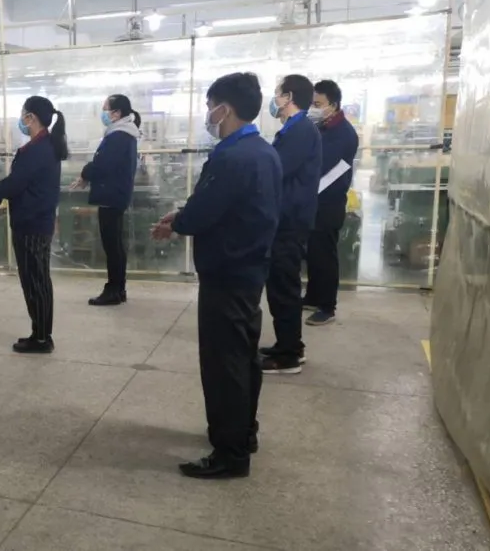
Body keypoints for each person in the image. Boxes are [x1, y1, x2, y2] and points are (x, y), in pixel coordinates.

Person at [151, 72, 282, 479]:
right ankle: (243, 432)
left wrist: (178, 221)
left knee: (224, 364)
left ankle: (230, 453)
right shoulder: (263, 152)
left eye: (210, 107)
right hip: (249, 268)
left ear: (225, 109)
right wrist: (184, 215)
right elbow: (222, 205)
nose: (208, 115)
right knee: (243, 358)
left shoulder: (232, 156)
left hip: (227, 271)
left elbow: (205, 210)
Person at [0, 96, 67, 354]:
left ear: (31, 117)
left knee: (35, 281)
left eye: (23, 114)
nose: (21, 119)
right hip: (37, 221)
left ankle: (41, 339)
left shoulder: (37, 150)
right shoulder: (45, 146)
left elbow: (16, 182)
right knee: (37, 279)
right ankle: (40, 334)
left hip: (31, 224)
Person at [259, 74, 322, 375]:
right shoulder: (293, 129)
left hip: (290, 220)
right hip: (287, 217)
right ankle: (290, 344)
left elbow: (276, 169)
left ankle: (288, 356)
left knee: (283, 286)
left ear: (289, 97)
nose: (275, 99)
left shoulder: (300, 131)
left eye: (278, 93)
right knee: (282, 285)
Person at [72, 94, 141, 306]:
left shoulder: (119, 135)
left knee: (112, 246)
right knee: (115, 245)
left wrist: (85, 173)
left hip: (111, 195)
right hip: (115, 194)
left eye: (105, 109)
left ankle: (113, 290)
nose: (103, 113)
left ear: (117, 113)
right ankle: (118, 288)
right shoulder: (122, 134)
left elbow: (103, 164)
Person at [303, 80, 359, 326]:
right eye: (312, 104)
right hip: (315, 200)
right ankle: (313, 297)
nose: (313, 109)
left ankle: (327, 306)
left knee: (325, 254)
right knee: (313, 252)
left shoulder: (343, 133)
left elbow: (324, 167)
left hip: (329, 202)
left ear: (333, 105)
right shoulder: (323, 128)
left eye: (318, 104)